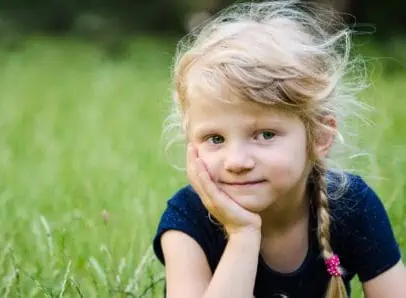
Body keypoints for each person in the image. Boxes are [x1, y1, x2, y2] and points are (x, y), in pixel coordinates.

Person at [152, 1, 406, 297]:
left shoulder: (352, 206)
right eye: (215, 139)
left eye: (265, 134)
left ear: (319, 137)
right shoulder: (188, 221)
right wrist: (243, 235)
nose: (237, 161)